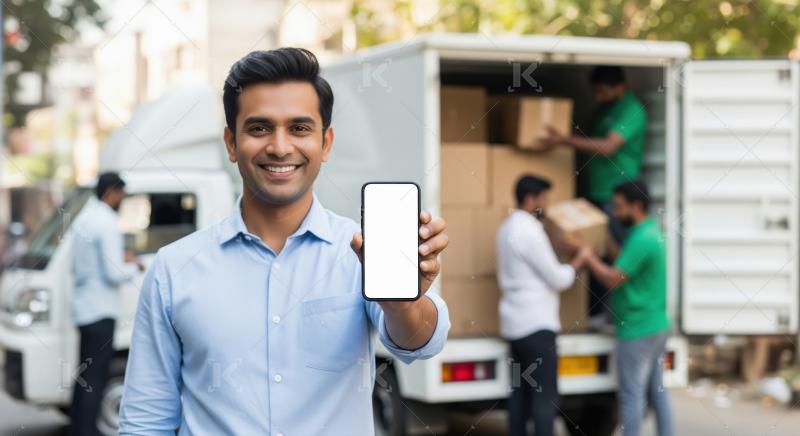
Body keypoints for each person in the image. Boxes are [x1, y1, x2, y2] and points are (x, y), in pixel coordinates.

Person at [118, 48, 451, 435]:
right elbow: (145, 420)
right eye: (259, 129)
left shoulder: (360, 252)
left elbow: (421, 343)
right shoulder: (173, 269)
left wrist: (404, 305)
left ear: (326, 143)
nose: (279, 147)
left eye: (299, 128)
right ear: (231, 143)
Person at [541, 65, 648, 325]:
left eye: (602, 91)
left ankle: (622, 313)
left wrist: (564, 140)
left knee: (617, 257)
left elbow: (609, 146)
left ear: (620, 87)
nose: (598, 96)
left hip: (617, 198)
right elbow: (589, 139)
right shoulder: (604, 110)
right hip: (597, 195)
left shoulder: (631, 110)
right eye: (596, 91)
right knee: (596, 251)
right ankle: (597, 314)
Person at [496, 175, 591, 436]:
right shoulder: (531, 230)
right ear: (531, 199)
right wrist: (582, 258)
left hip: (514, 326)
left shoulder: (506, 228)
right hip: (537, 326)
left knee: (519, 394)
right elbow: (558, 278)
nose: (547, 206)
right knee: (544, 397)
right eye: (544, 199)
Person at [581, 181, 672, 436]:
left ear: (636, 206)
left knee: (631, 396)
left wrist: (587, 258)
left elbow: (614, 278)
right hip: (655, 324)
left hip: (637, 329)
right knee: (657, 393)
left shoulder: (642, 239)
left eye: (619, 207)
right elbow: (624, 259)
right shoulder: (648, 231)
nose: (615, 212)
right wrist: (601, 237)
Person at [69, 172, 143, 436]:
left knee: (84, 377)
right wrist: (135, 266)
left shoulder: (84, 219)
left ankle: (78, 429)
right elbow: (113, 273)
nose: (121, 200)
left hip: (84, 309)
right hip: (101, 310)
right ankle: (87, 432)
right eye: (121, 194)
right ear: (111, 193)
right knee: (96, 378)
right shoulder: (107, 222)